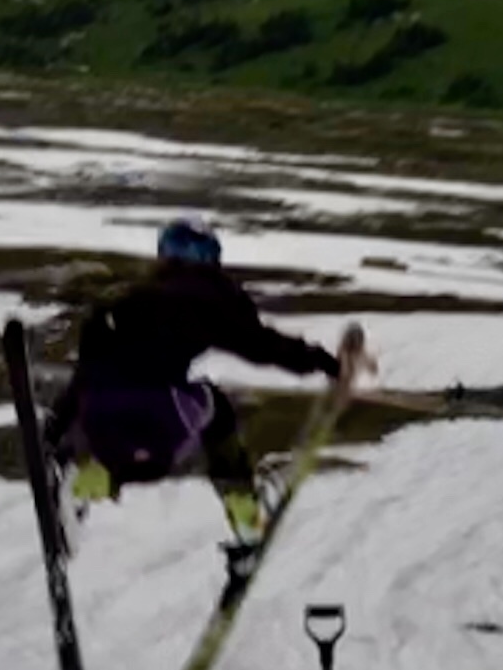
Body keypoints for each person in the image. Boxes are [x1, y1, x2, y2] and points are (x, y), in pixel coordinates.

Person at [51, 218, 347, 560]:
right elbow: (260, 345)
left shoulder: (123, 299)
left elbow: (87, 372)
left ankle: (84, 484)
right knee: (212, 409)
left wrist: (53, 433)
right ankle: (246, 513)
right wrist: (324, 362)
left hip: (98, 415)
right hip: (159, 414)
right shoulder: (211, 294)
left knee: (131, 451)